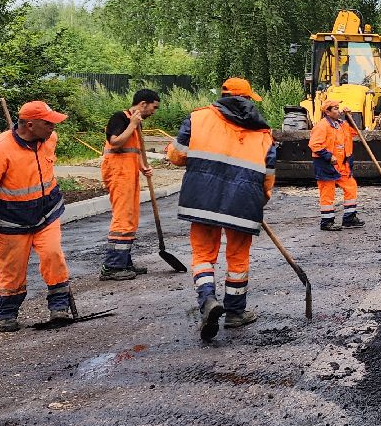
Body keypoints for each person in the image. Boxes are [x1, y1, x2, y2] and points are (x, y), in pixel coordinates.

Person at [167, 78, 276, 341]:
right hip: (243, 203)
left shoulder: (198, 119)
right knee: (237, 258)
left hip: (202, 200)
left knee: (203, 255)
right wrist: (258, 202)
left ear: (223, 95)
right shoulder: (263, 133)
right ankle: (235, 313)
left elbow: (176, 156)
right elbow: (268, 177)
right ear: (247, 99)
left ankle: (207, 299)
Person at [0, 100, 75, 331]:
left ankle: (59, 308)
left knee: (53, 257)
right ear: (29, 125)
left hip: (47, 214)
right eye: (48, 123)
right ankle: (7, 314)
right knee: (11, 271)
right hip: (11, 222)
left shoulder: (50, 139)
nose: (53, 128)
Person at [99, 88, 162, 280]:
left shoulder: (137, 123)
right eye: (154, 107)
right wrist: (132, 124)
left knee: (131, 218)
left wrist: (143, 167)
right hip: (118, 173)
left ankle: (124, 262)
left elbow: (135, 150)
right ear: (143, 104)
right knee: (123, 218)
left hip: (129, 173)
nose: (154, 111)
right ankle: (112, 266)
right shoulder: (120, 118)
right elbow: (116, 142)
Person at [309, 97, 361, 230]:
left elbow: (354, 132)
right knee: (327, 192)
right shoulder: (322, 126)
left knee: (351, 186)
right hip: (326, 164)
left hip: (342, 164)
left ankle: (349, 218)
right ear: (327, 112)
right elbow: (314, 145)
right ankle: (327, 222)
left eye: (339, 108)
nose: (339, 111)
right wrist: (328, 156)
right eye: (336, 108)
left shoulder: (342, 124)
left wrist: (349, 117)